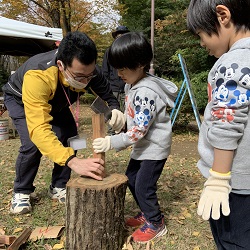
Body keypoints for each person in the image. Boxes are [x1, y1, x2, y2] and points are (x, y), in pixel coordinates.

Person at [2, 31, 125, 214]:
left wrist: (114, 109)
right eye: (79, 76)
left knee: (70, 136)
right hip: (21, 98)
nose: (86, 81)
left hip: (59, 100)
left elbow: (107, 94)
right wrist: (72, 161)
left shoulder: (88, 69)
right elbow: (39, 129)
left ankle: (58, 185)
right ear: (61, 64)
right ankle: (22, 191)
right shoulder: (38, 75)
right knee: (31, 143)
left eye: (90, 75)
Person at [93, 32, 178, 243]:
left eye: (123, 68)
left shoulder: (145, 92)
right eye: (116, 67)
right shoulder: (132, 85)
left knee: (143, 185)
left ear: (140, 64)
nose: (118, 73)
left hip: (154, 148)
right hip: (143, 147)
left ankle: (156, 222)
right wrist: (122, 123)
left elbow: (139, 130)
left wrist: (111, 141)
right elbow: (136, 120)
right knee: (131, 178)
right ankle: (146, 212)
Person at [187, 0, 250, 249]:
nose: (202, 44)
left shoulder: (232, 64)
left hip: (235, 186)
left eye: (201, 35)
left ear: (223, 16)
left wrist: (218, 179)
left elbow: (227, 121)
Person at [102, 26, 130, 136]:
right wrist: (108, 86)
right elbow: (105, 70)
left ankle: (126, 133)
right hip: (113, 87)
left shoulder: (128, 52)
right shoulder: (109, 51)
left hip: (127, 86)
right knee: (113, 111)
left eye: (123, 35)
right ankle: (111, 133)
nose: (120, 37)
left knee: (127, 111)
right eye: (119, 35)